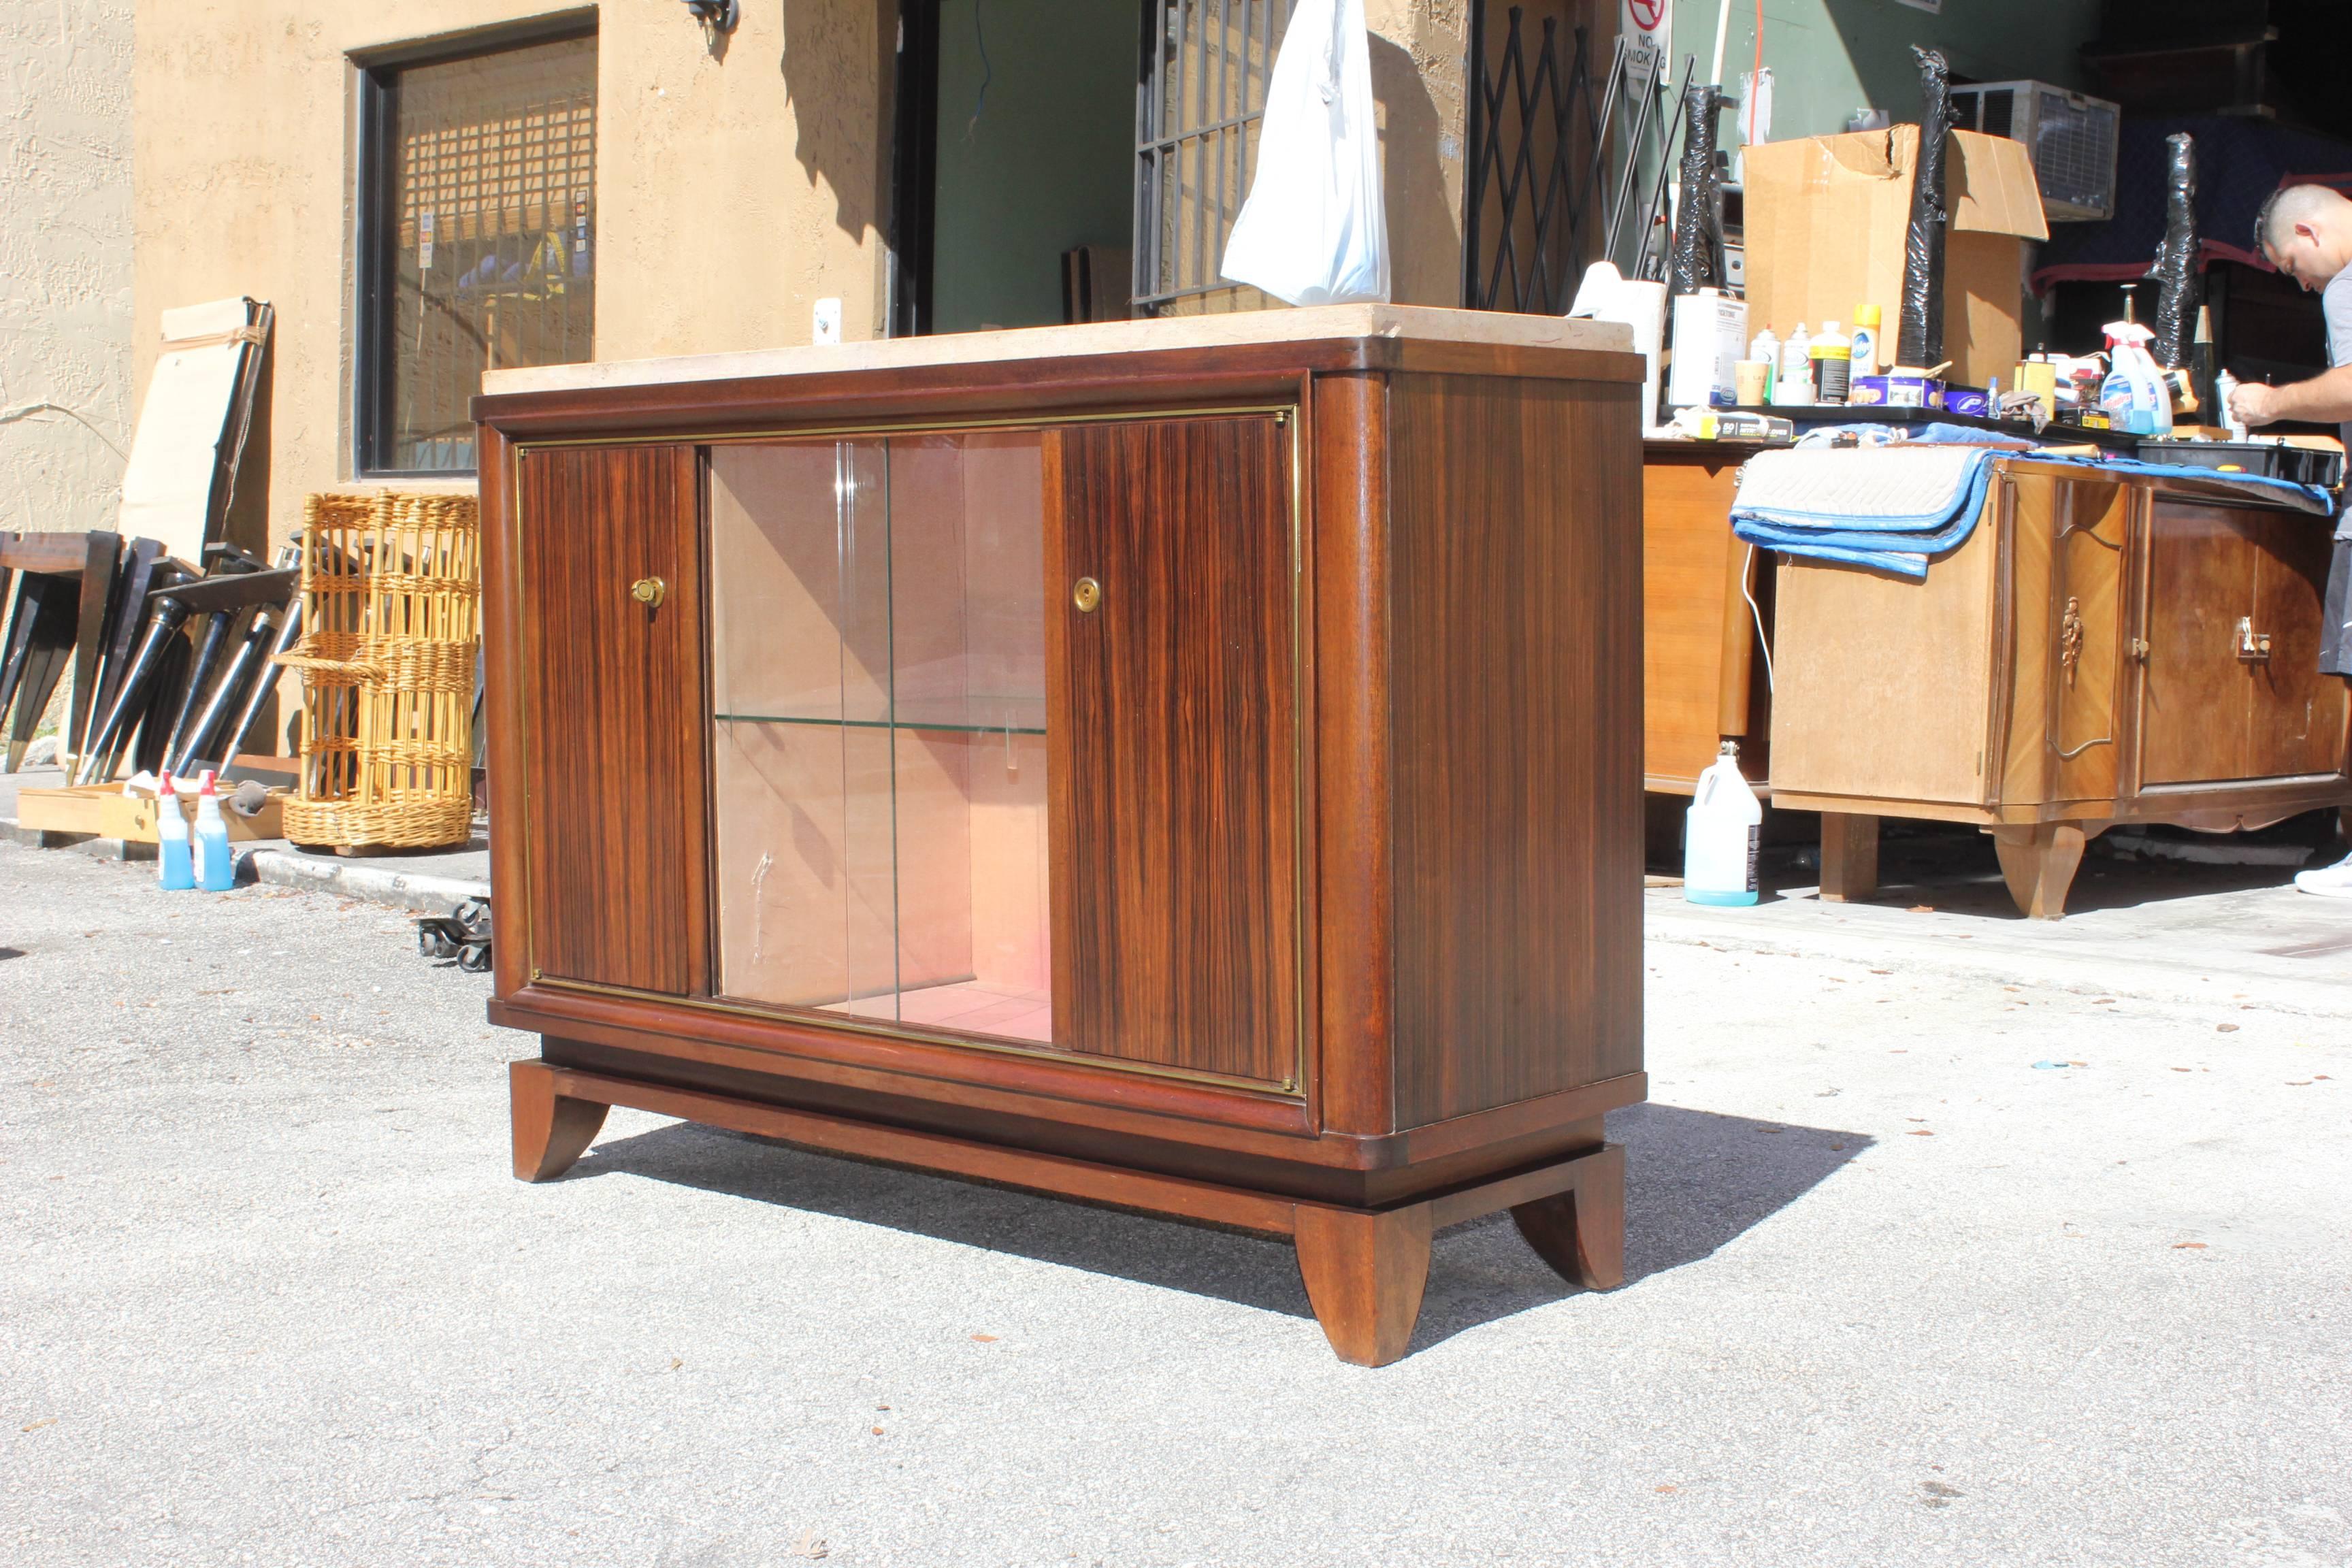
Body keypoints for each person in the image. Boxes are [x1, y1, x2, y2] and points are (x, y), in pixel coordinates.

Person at [2232, 182, 2352, 897]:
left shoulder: (2346, 283)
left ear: (2308, 233)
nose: (2301, 285)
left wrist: (2269, 403)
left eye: (2290, 267)